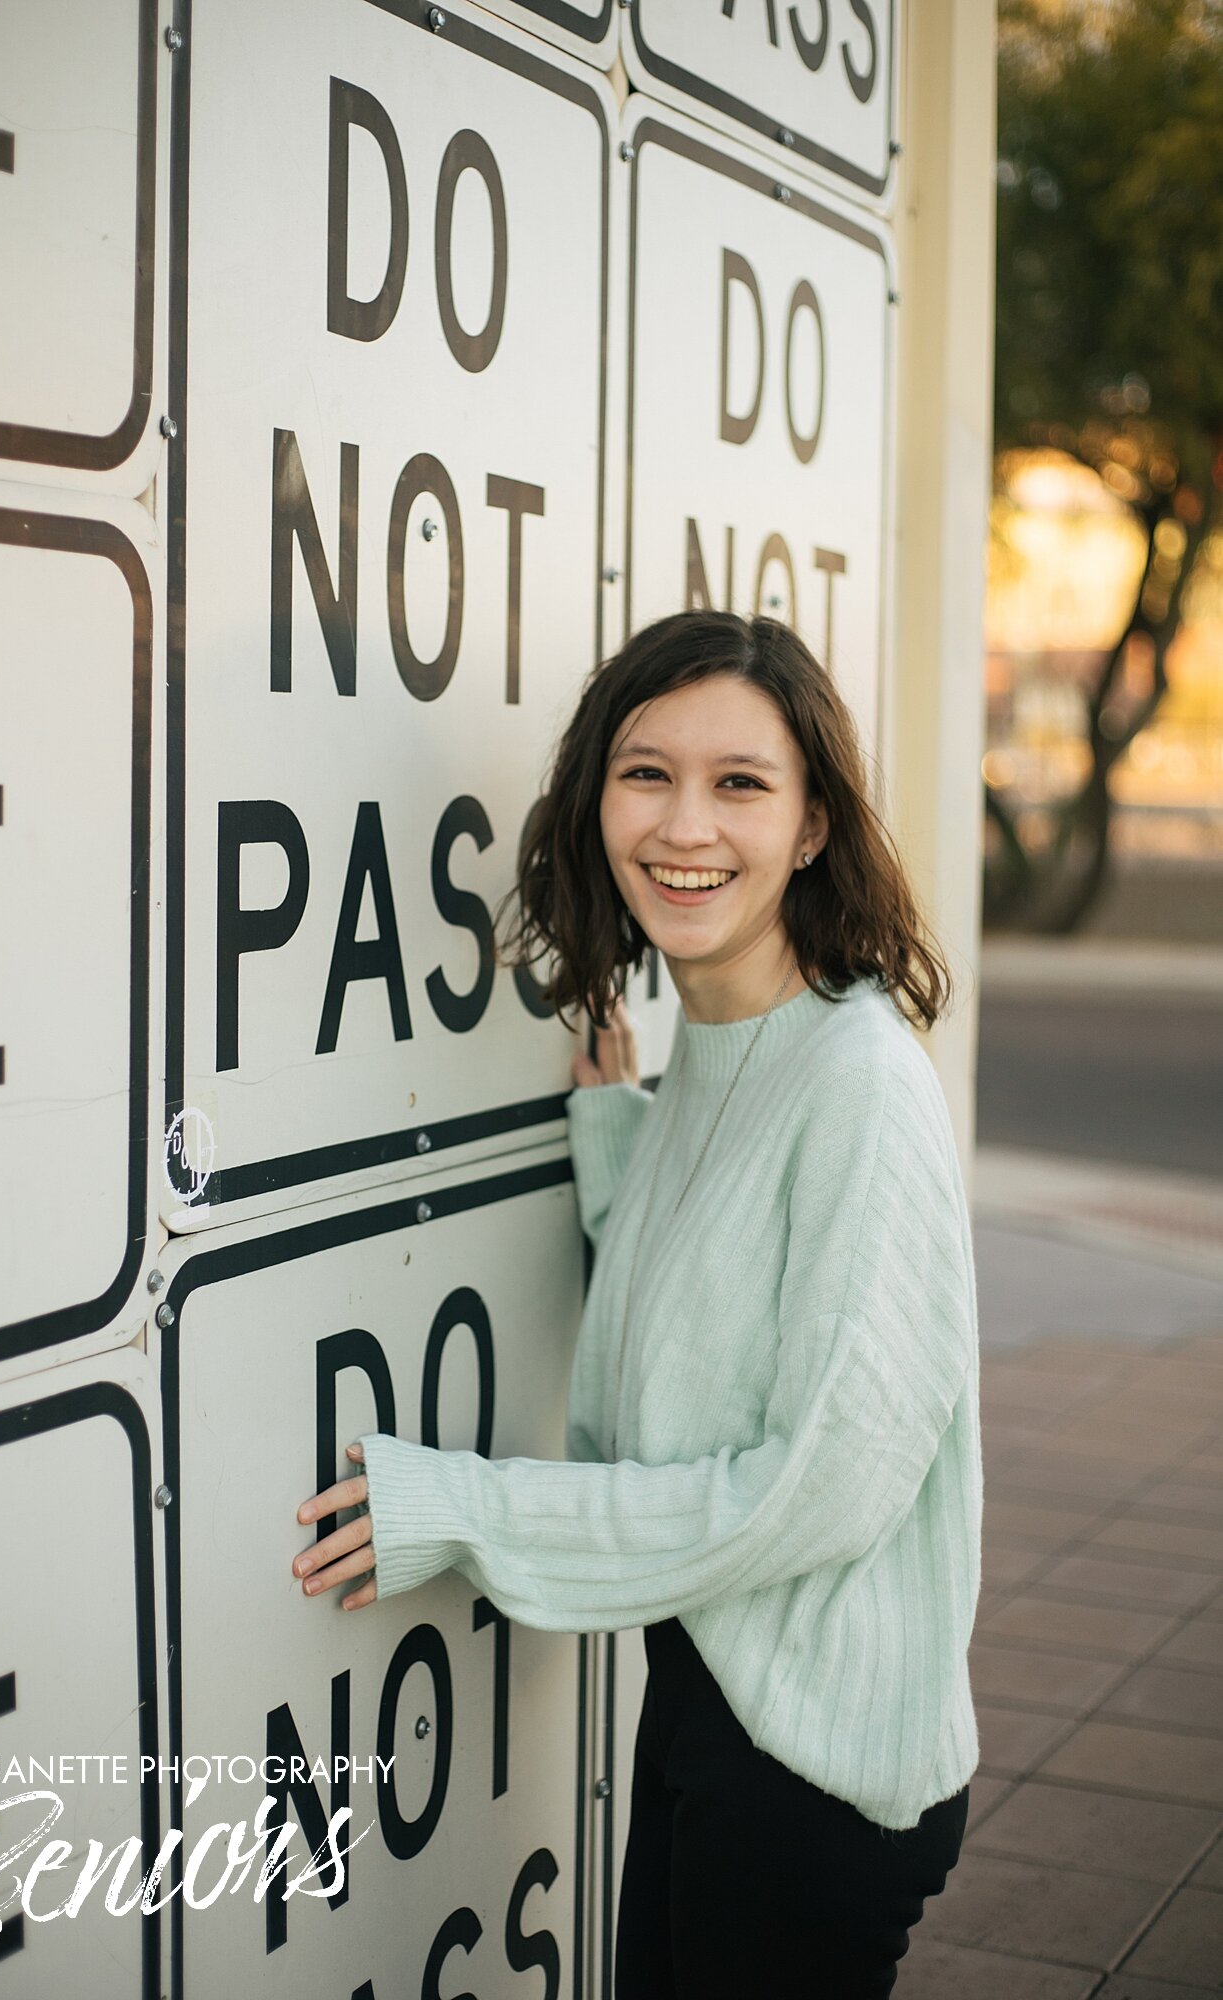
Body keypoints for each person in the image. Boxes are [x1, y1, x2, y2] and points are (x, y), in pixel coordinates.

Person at [290, 610, 983, 1997]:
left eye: (740, 783)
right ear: (594, 798)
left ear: (809, 829)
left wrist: (466, 1507)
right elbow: (712, 1322)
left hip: (811, 1764)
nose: (683, 825)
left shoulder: (855, 1081)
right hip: (710, 1701)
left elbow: (821, 1485)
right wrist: (620, 1145)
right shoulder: (712, 1052)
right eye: (643, 770)